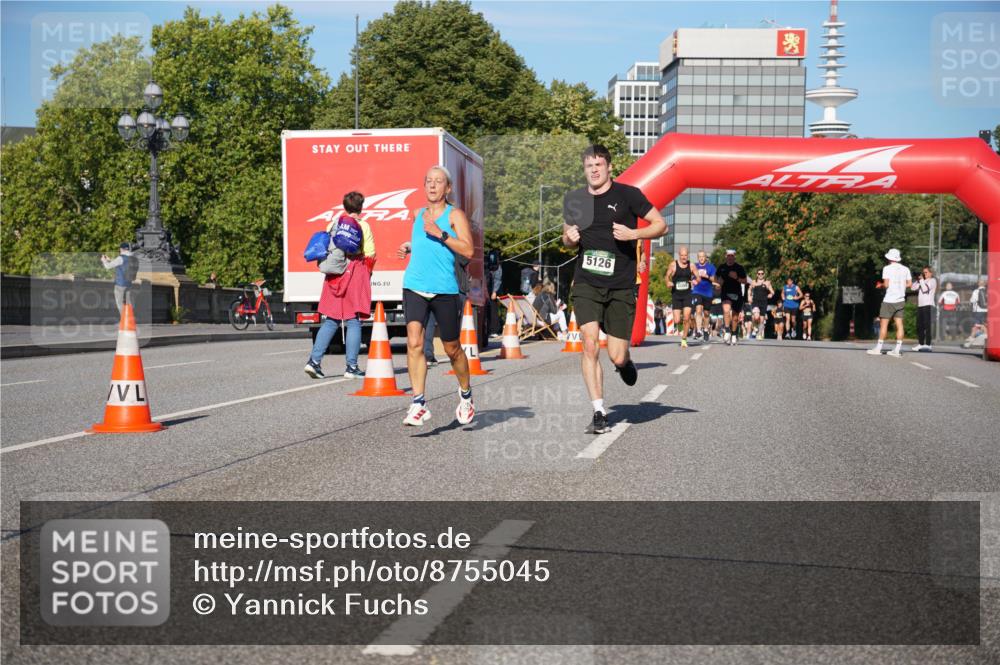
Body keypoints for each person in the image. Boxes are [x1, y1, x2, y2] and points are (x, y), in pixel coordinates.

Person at [562, 144, 667, 434]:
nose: (594, 170)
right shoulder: (575, 199)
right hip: (586, 282)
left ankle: (625, 363)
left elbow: (661, 225)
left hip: (620, 285)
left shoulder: (628, 195)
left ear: (609, 168)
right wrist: (569, 238)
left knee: (616, 355)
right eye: (589, 166)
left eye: (598, 165)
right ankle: (599, 411)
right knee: (590, 342)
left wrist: (634, 233)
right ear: (584, 169)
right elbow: (567, 237)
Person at [397, 165, 476, 426]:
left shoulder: (455, 216)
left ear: (448, 188)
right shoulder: (417, 214)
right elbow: (422, 243)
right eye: (428, 181)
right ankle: (418, 402)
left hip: (445, 289)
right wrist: (408, 246)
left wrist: (441, 234)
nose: (432, 185)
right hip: (415, 284)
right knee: (414, 342)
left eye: (438, 181)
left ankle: (465, 395)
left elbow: (468, 250)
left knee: (452, 348)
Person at [304, 191, 375, 380]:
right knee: (353, 321)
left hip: (335, 275)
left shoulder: (333, 224)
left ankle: (314, 361)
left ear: (344, 206)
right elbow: (370, 253)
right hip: (354, 272)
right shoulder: (363, 226)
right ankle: (351, 367)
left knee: (331, 320)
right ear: (361, 207)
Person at [868, 248, 912, 357]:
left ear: (889, 258)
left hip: (888, 300)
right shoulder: (905, 269)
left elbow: (886, 285)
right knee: (900, 325)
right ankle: (897, 350)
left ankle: (878, 348)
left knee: (884, 325)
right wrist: (900, 286)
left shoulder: (887, 268)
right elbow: (910, 284)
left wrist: (881, 285)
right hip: (900, 300)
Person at [712, 249, 747, 346]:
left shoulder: (739, 268)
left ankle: (734, 334)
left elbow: (744, 281)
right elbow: (716, 277)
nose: (730, 257)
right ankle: (727, 330)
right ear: (725, 256)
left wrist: (736, 277)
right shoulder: (722, 267)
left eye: (732, 256)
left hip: (737, 294)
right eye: (728, 255)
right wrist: (718, 284)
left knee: (735, 317)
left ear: (734, 257)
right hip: (725, 293)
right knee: (726, 310)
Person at [665, 246, 696, 347]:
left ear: (688, 255)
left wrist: (696, 280)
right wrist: (668, 282)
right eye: (682, 255)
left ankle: (684, 339)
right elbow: (667, 276)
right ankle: (683, 323)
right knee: (677, 320)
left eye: (685, 255)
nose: (684, 257)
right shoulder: (673, 265)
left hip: (687, 294)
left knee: (686, 318)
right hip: (676, 295)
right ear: (679, 255)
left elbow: (698, 277)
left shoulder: (691, 265)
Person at [101, 242, 136, 314]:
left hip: (120, 284)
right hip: (129, 283)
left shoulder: (121, 258)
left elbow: (108, 267)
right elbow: (122, 264)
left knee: (120, 302)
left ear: (121, 249)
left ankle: (124, 319)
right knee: (128, 302)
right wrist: (110, 260)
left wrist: (104, 261)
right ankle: (130, 319)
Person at [690, 250, 716, 342]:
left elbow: (714, 279)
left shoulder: (711, 267)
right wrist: (693, 281)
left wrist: (706, 276)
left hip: (708, 292)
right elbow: (691, 277)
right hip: (697, 291)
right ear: (698, 258)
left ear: (706, 257)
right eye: (699, 256)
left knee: (706, 313)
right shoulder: (694, 266)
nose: (701, 258)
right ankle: (699, 330)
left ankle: (705, 330)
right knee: (698, 309)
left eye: (703, 256)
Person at [910, 266, 937, 351]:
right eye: (923, 272)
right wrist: (918, 280)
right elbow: (912, 287)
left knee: (927, 325)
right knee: (919, 326)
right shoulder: (922, 281)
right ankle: (921, 344)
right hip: (921, 306)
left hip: (928, 305)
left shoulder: (932, 280)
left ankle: (928, 345)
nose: (924, 274)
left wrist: (921, 280)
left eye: (926, 272)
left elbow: (925, 289)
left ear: (931, 273)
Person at [749, 270, 774, 339]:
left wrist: (770, 294)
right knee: (756, 317)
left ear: (764, 274)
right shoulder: (754, 282)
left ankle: (759, 334)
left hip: (764, 302)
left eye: (762, 273)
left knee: (762, 319)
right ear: (757, 274)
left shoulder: (767, 282)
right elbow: (749, 290)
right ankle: (755, 326)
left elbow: (772, 292)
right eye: (759, 273)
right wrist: (749, 297)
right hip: (755, 301)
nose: (760, 275)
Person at [967, 278, 988, 345]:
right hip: (986, 310)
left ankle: (972, 338)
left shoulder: (976, 291)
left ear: (978, 284)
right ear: (984, 284)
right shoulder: (988, 291)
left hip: (978, 310)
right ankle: (972, 337)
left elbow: (972, 300)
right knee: (980, 324)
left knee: (977, 324)